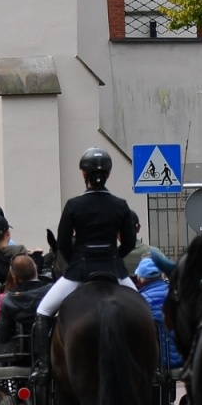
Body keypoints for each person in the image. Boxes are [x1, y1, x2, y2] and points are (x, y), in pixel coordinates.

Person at [32, 147, 139, 380]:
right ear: (108, 175)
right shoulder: (120, 205)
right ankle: (157, 366)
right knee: (146, 312)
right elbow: (130, 243)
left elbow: (62, 243)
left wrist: (75, 263)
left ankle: (42, 367)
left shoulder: (73, 205)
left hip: (79, 270)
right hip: (114, 270)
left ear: (83, 174)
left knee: (43, 310)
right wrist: (114, 259)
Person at [133, 256, 181, 370]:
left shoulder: (140, 301)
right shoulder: (177, 294)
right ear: (161, 276)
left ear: (139, 280)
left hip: (154, 363)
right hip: (181, 360)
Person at [0, 254, 49, 342]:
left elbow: (1, 335)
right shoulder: (52, 292)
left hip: (25, 351)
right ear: (36, 269)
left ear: (14, 276)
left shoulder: (7, 301)